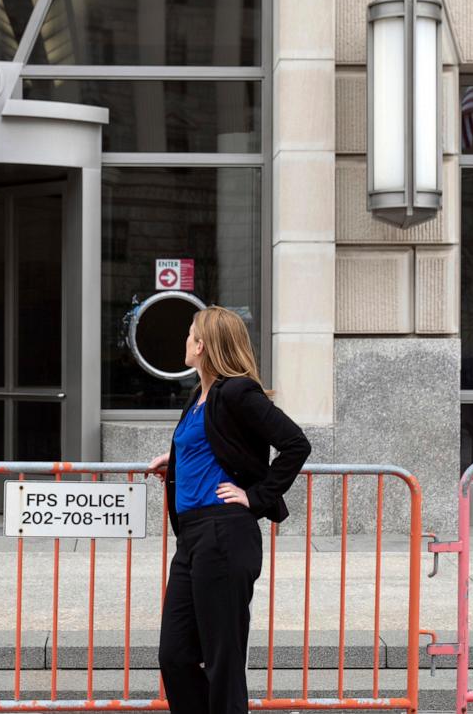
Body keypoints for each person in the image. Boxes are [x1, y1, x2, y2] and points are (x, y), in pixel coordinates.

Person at [148, 306, 311, 714]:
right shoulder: (199, 395)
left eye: (189, 335)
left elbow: (295, 444)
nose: (185, 341)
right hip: (193, 537)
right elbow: (217, 445)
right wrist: (177, 463)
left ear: (202, 346)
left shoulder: (237, 391)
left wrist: (256, 498)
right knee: (175, 654)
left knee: (223, 662)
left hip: (224, 534)